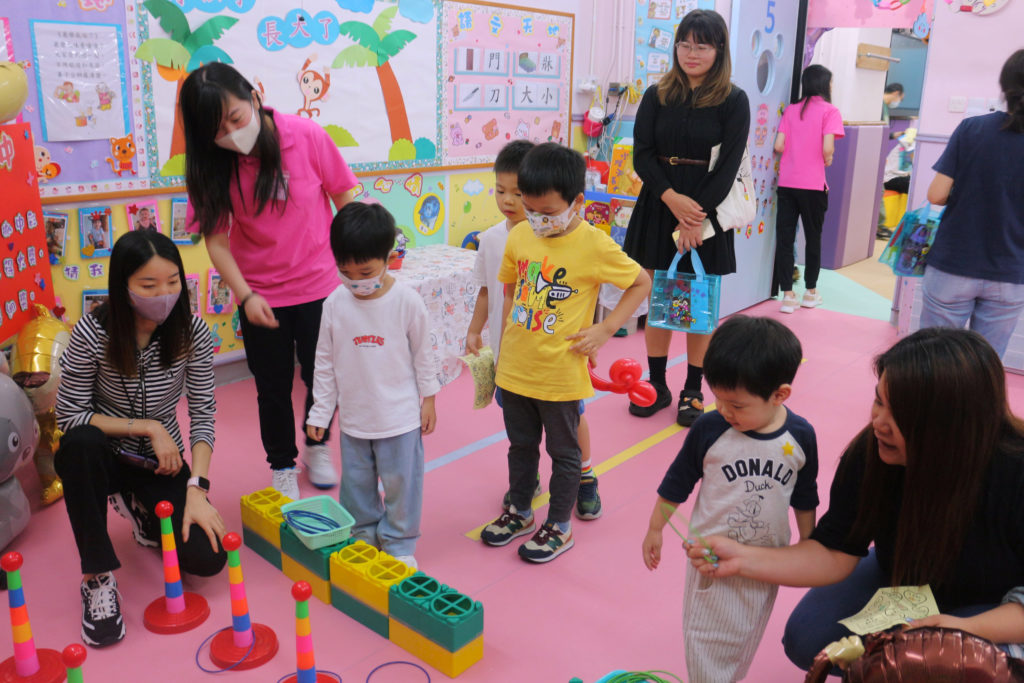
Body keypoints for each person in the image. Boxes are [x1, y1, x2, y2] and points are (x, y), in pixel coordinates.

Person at [684, 327, 1024, 671]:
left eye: (901, 415)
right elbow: (835, 551)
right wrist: (741, 558)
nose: (879, 422)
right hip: (904, 577)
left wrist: (966, 629)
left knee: (940, 663)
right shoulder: (872, 452)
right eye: (879, 401)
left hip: (997, 604)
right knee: (810, 638)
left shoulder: (1015, 471)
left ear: (955, 425)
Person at [180, 62, 357, 499]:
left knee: (324, 378)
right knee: (272, 388)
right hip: (260, 296)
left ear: (255, 98)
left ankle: (317, 444)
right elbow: (217, 242)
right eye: (217, 131)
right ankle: (281, 463)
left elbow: (345, 198)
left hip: (321, 287)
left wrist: (357, 265)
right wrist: (246, 295)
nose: (231, 134)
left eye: (236, 118)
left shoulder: (307, 136)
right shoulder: (212, 164)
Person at [479, 143, 651, 563]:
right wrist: (502, 352)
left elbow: (640, 283)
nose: (538, 220)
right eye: (530, 209)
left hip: (559, 374)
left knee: (564, 453)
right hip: (516, 369)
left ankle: (559, 524)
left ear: (577, 202)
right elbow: (510, 293)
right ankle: (520, 511)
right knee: (520, 447)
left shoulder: (594, 244)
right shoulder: (520, 235)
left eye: (548, 212)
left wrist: (605, 329)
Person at [54, 230, 227, 648]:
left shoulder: (191, 332)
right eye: (148, 285)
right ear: (123, 286)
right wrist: (147, 426)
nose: (164, 295)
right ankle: (97, 577)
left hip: (159, 462)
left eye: (172, 282)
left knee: (207, 558)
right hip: (104, 456)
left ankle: (142, 508)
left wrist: (198, 489)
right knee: (79, 445)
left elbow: (203, 412)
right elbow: (69, 414)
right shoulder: (92, 333)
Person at [642, 316, 818, 683]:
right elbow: (676, 483)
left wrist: (809, 543)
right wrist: (655, 528)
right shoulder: (710, 429)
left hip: (768, 561)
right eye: (717, 398)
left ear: (780, 395)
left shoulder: (800, 436)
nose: (724, 410)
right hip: (710, 558)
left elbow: (805, 495)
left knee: (744, 637)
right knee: (704, 639)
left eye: (736, 405)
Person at [623, 9, 750, 426]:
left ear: (719, 50)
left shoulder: (733, 100)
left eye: (702, 46)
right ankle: (657, 384)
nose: (691, 53)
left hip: (705, 213)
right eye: (685, 44)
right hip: (660, 205)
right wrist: (670, 198)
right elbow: (642, 155)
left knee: (699, 303)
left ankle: (693, 389)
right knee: (660, 295)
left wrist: (695, 218)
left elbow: (728, 168)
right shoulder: (656, 94)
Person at [464, 140, 603, 520]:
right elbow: (488, 290)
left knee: (570, 424)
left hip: (556, 361)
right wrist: (476, 330)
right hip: (512, 356)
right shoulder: (495, 238)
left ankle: (585, 474)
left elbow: (586, 290)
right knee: (521, 430)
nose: (509, 200)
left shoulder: (562, 233)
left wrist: (596, 334)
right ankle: (527, 482)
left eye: (518, 192)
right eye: (501, 191)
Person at [305, 202, 439, 569]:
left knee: (402, 484)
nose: (355, 281)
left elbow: (424, 353)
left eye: (365, 272)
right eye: (345, 272)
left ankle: (399, 542)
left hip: (400, 417)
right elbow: (324, 363)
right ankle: (363, 534)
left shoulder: (406, 301)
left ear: (388, 258)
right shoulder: (334, 304)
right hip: (355, 418)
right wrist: (320, 412)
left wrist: (428, 398)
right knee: (356, 485)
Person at [919, 50, 1024, 359]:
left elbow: (937, 195)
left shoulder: (972, 129)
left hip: (953, 264)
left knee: (934, 360)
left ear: (1005, 87)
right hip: (1010, 271)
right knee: (984, 365)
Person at [773, 65, 844, 314]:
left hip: (787, 184)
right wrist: (828, 157)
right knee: (813, 239)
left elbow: (779, 145)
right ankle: (810, 292)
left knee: (785, 239)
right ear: (824, 84)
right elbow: (827, 148)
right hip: (813, 186)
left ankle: (787, 295)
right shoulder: (830, 111)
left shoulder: (791, 110)